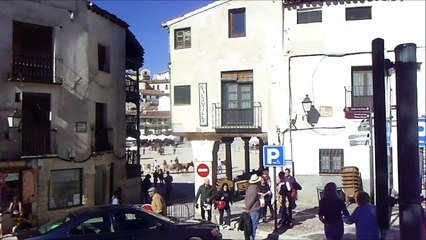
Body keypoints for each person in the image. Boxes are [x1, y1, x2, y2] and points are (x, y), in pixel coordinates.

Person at [245, 174, 261, 240]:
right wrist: (248, 208)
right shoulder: (255, 189)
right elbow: (252, 200)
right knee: (253, 228)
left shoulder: (249, 188)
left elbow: (246, 198)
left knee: (250, 227)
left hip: (250, 210)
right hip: (254, 209)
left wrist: (247, 207)